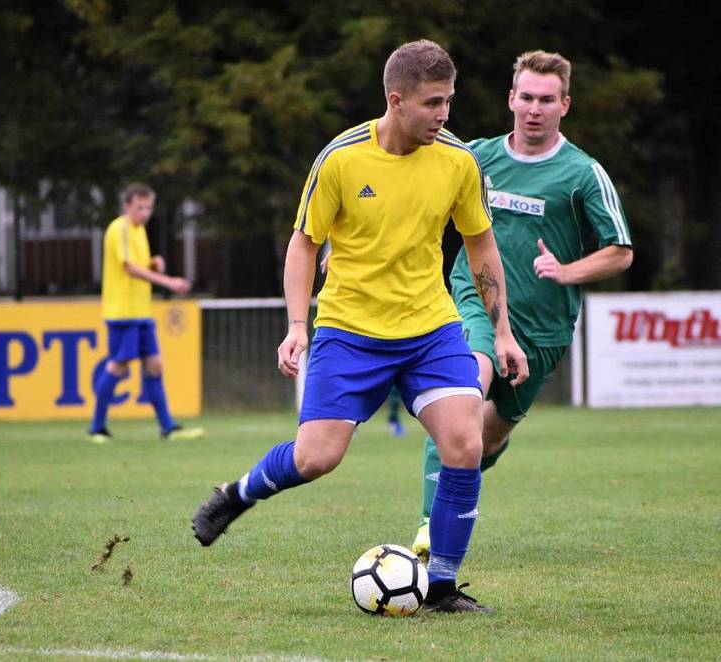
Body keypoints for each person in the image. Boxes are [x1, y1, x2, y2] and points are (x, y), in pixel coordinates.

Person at [192, 40, 528, 613]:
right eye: (433, 103)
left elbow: (481, 246)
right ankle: (238, 494)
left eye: (448, 101)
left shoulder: (458, 162)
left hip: (430, 329)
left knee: (466, 443)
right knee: (315, 458)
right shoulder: (341, 158)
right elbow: (304, 244)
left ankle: (443, 586)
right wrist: (298, 325)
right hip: (350, 331)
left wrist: (501, 332)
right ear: (396, 101)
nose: (445, 115)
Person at [411, 50, 634, 560]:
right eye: (527, 98)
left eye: (547, 100)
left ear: (565, 105)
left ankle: (460, 481)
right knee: (459, 402)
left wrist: (566, 272)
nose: (535, 108)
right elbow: (408, 187)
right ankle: (431, 526)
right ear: (511, 99)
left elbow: (621, 250)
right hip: (474, 303)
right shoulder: (474, 157)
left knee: (487, 437)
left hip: (543, 330)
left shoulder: (582, 173)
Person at [87, 182, 206, 443]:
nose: (145, 213)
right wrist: (168, 282)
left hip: (141, 312)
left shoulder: (139, 230)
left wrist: (153, 262)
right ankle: (96, 427)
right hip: (122, 312)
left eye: (149, 207)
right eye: (140, 207)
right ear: (127, 205)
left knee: (155, 366)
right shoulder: (120, 229)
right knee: (118, 367)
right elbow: (128, 268)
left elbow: (138, 266)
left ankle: (168, 427)